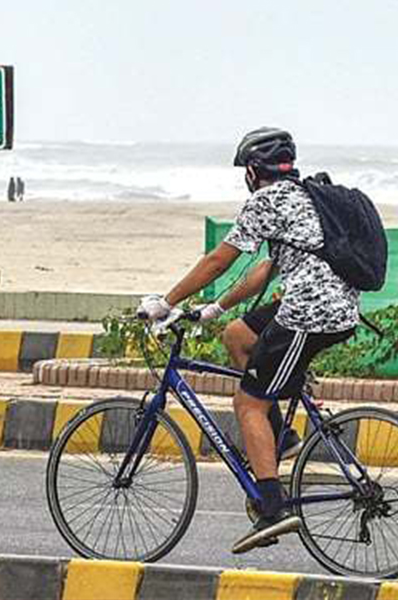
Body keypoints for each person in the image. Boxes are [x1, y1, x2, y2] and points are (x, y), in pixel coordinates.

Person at [138, 127, 359, 554]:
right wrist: (215, 309)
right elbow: (264, 271)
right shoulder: (301, 197)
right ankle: (281, 438)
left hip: (310, 312)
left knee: (248, 403)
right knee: (237, 335)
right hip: (322, 304)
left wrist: (166, 302)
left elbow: (219, 259)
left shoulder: (266, 200)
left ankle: (272, 509)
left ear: (253, 172)